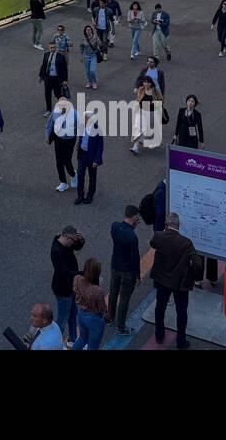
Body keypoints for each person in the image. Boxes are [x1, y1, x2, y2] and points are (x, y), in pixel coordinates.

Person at [150, 212, 195, 349]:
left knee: (160, 308)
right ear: (179, 225)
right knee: (181, 312)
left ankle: (159, 334)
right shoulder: (186, 243)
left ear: (166, 225)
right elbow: (197, 262)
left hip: (162, 280)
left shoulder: (159, 236)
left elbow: (153, 243)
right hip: (180, 282)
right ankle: (181, 341)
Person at [108, 205, 141, 335]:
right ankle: (121, 326)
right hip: (128, 271)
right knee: (124, 299)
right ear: (134, 217)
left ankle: (110, 318)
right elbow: (135, 258)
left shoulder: (115, 226)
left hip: (115, 266)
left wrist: (132, 227)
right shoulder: (132, 237)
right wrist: (137, 276)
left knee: (113, 293)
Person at [50, 226, 84, 345]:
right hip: (63, 289)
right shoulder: (56, 251)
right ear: (67, 237)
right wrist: (84, 273)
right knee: (63, 319)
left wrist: (81, 240)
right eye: (73, 240)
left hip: (70, 286)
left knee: (73, 313)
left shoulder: (62, 241)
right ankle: (54, 344)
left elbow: (77, 246)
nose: (74, 243)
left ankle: (73, 338)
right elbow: (65, 274)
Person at [72, 258, 112, 350]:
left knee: (82, 339)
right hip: (94, 320)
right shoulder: (98, 291)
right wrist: (108, 318)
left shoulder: (77, 279)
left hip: (81, 314)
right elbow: (102, 309)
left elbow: (75, 290)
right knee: (93, 347)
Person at [47, 97, 78, 194]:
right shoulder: (55, 112)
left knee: (66, 161)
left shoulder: (74, 114)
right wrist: (48, 136)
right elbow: (49, 124)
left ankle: (73, 175)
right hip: (58, 139)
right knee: (59, 162)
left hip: (69, 140)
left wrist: (79, 141)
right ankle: (63, 182)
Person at [75, 110, 103, 204]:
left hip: (91, 156)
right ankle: (80, 195)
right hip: (82, 154)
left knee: (92, 177)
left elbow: (100, 146)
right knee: (80, 174)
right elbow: (81, 137)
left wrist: (96, 160)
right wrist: (79, 144)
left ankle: (90, 195)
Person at [38, 42, 69, 115]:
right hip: (48, 78)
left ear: (56, 48)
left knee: (58, 94)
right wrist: (40, 76)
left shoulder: (61, 56)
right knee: (47, 94)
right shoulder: (46, 55)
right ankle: (48, 110)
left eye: (54, 47)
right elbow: (43, 66)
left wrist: (65, 80)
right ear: (49, 48)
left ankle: (64, 108)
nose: (52, 49)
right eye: (51, 47)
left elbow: (65, 69)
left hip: (57, 79)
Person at [80, 25, 104, 90]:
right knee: (88, 71)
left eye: (89, 29)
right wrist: (82, 56)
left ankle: (94, 82)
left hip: (93, 56)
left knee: (92, 71)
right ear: (85, 31)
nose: (88, 31)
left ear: (91, 30)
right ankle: (89, 82)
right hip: (86, 56)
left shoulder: (95, 37)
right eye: (87, 30)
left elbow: (100, 44)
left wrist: (99, 41)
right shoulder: (83, 38)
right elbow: (81, 47)